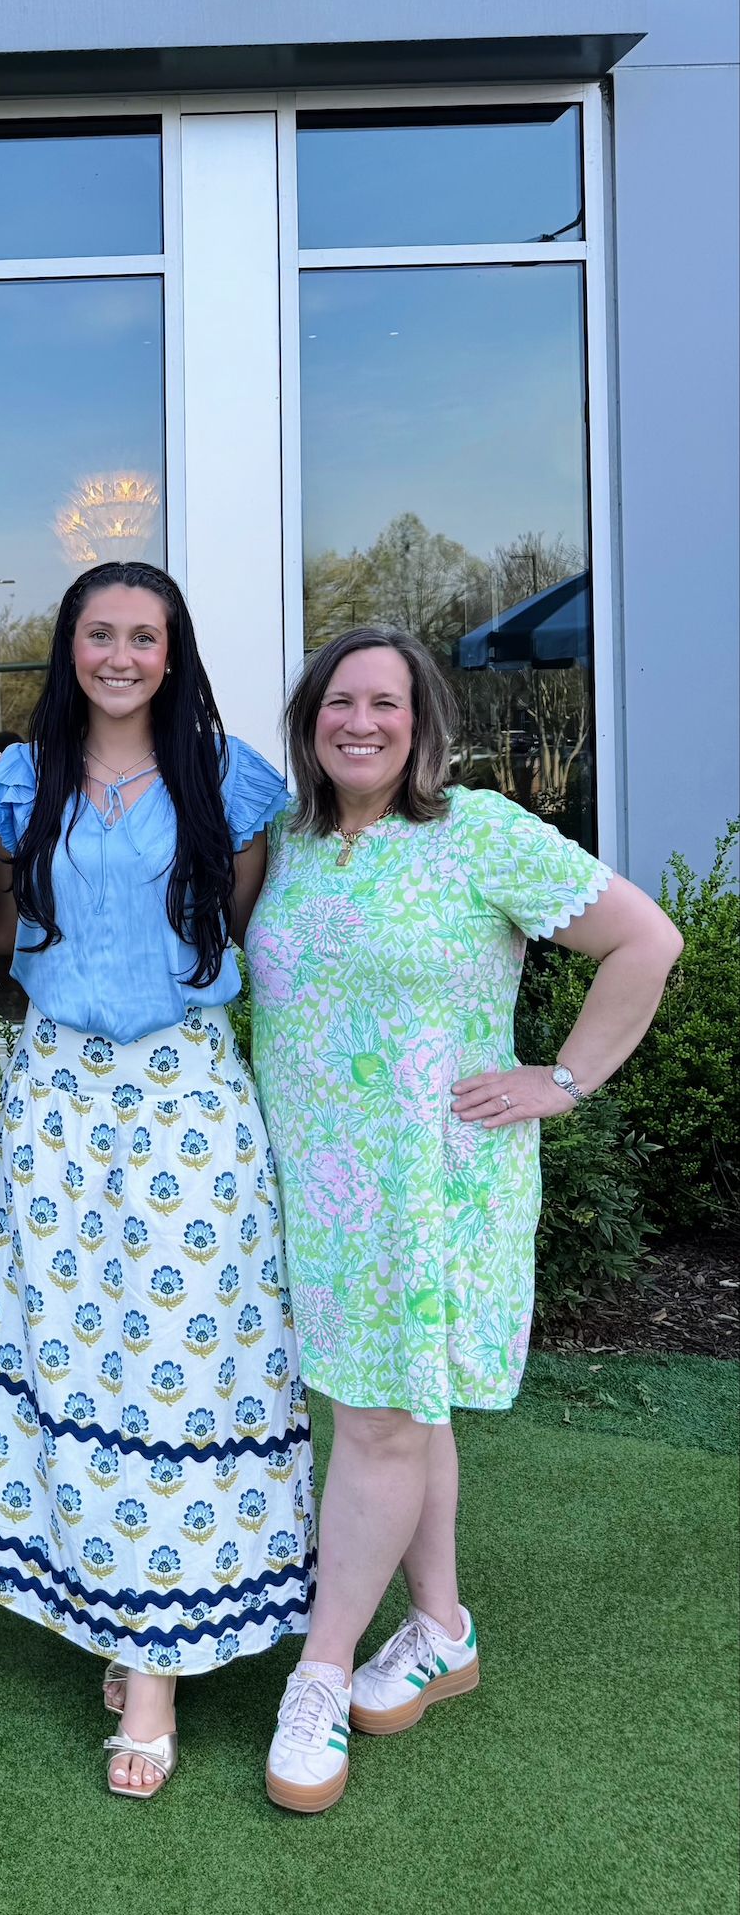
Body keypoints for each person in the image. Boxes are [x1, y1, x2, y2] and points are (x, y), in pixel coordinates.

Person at [250, 627, 682, 1814]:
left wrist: (566, 1077)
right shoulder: (287, 844)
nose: (362, 723)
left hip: (430, 1188)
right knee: (390, 1405)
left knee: (381, 1423)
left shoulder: (480, 832)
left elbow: (646, 939)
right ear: (311, 718)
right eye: (341, 701)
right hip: (319, 1187)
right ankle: (440, 1624)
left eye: (386, 704)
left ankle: (322, 1670)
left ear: (422, 721)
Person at [0, 561, 314, 1802]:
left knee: (187, 1353)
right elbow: (9, 925)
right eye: (97, 633)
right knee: (71, 1350)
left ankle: (156, 1661)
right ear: (70, 647)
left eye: (141, 635)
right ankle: (114, 1601)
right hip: (53, 1093)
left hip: (187, 1094)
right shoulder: (19, 777)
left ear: (172, 650)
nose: (118, 653)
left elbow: (239, 928)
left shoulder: (230, 775)